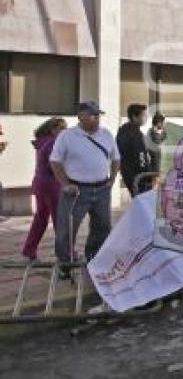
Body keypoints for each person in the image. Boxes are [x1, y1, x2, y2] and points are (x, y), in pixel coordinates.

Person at [50, 101, 120, 275]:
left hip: (102, 188)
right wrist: (65, 184)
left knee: (102, 226)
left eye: (98, 116)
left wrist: (112, 179)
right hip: (77, 190)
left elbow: (116, 157)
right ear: (81, 117)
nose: (97, 119)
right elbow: (55, 161)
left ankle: (93, 258)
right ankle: (65, 264)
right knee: (67, 228)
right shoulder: (67, 136)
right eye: (93, 115)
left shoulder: (106, 134)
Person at [21, 118, 67, 261]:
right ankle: (65, 253)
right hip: (52, 184)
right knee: (60, 220)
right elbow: (53, 166)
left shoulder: (41, 142)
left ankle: (29, 249)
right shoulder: (53, 143)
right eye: (62, 128)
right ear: (53, 129)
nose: (65, 131)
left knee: (41, 218)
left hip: (39, 183)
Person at [117, 104, 153, 198]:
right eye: (144, 115)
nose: (146, 118)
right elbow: (140, 156)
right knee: (144, 204)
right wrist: (148, 175)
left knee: (140, 203)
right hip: (138, 177)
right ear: (134, 117)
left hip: (131, 175)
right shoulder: (133, 134)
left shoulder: (126, 131)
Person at [145, 112, 167, 176]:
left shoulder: (153, 130)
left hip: (154, 154)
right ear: (159, 122)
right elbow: (157, 140)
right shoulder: (153, 130)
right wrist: (163, 133)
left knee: (155, 173)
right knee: (155, 174)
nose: (163, 124)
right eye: (162, 122)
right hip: (153, 154)